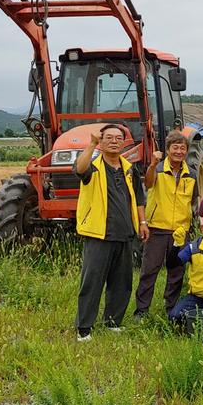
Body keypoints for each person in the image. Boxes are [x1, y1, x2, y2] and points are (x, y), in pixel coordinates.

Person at [73, 124, 149, 341]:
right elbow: (79, 169)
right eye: (109, 137)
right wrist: (92, 144)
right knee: (92, 282)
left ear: (124, 142)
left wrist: (142, 222)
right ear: (102, 140)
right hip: (99, 234)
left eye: (118, 137)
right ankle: (84, 328)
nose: (114, 141)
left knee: (121, 282)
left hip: (125, 233)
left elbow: (138, 197)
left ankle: (112, 321)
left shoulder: (128, 167)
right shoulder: (93, 165)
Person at [134, 130, 196, 318]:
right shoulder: (158, 170)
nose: (179, 151)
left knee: (176, 273)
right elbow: (149, 183)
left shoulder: (191, 174)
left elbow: (193, 201)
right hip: (157, 228)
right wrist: (153, 164)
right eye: (175, 148)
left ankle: (171, 309)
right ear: (168, 150)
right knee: (149, 271)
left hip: (179, 231)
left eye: (182, 148)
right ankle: (142, 310)